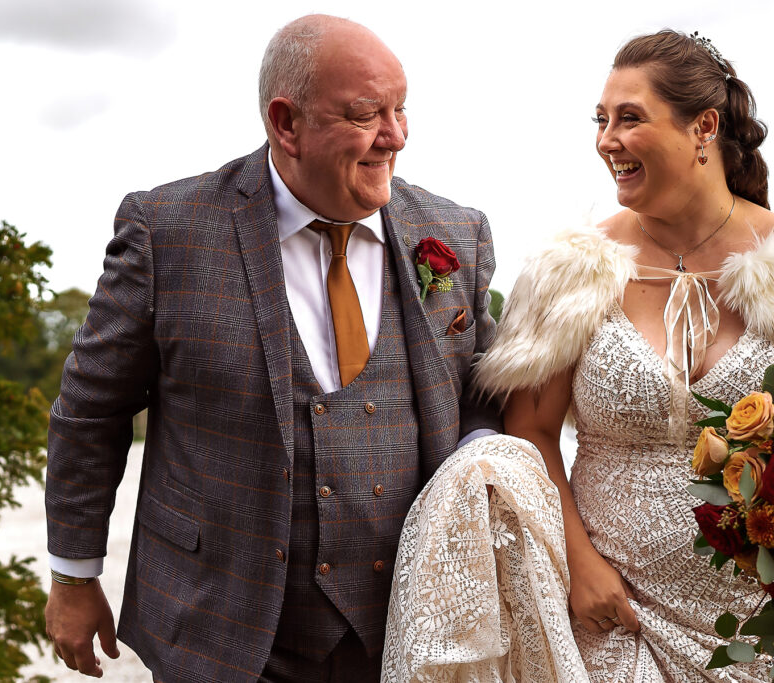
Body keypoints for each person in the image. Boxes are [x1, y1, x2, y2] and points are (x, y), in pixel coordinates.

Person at [384, 30, 774, 681]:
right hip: (611, 614)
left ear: (704, 128)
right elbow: (530, 432)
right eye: (601, 120)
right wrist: (581, 565)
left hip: (762, 627)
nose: (607, 139)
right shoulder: (573, 270)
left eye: (629, 118)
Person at [43, 15, 499, 682]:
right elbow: (91, 413)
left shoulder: (458, 232)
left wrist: (472, 480)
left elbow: (485, 400)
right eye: (367, 113)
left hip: (414, 630)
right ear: (287, 124)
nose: (396, 135)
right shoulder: (168, 231)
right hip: (224, 630)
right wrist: (74, 575)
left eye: (401, 109)